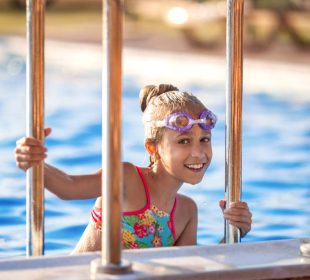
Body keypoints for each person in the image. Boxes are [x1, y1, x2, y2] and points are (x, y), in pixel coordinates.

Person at [15, 84, 252, 252]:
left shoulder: (186, 211)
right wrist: (35, 162)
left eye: (205, 140)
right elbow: (69, 188)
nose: (198, 152)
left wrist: (233, 234)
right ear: (152, 148)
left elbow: (189, 273)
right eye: (183, 141)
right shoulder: (126, 179)